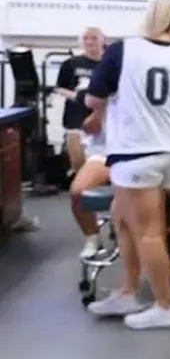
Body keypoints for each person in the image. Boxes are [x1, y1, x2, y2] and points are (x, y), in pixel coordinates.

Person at [83, 0, 170, 331]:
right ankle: (127, 292)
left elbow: (94, 98)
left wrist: (91, 102)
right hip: (169, 151)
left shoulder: (123, 51)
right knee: (123, 220)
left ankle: (167, 305)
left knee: (148, 233)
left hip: (139, 151)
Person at [54, 26, 106, 257]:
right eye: (86, 38)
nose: (90, 41)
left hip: (112, 135)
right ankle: (92, 236)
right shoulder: (72, 64)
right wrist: (78, 97)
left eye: (94, 38)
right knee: (80, 180)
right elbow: (60, 87)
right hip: (78, 120)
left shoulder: (110, 68)